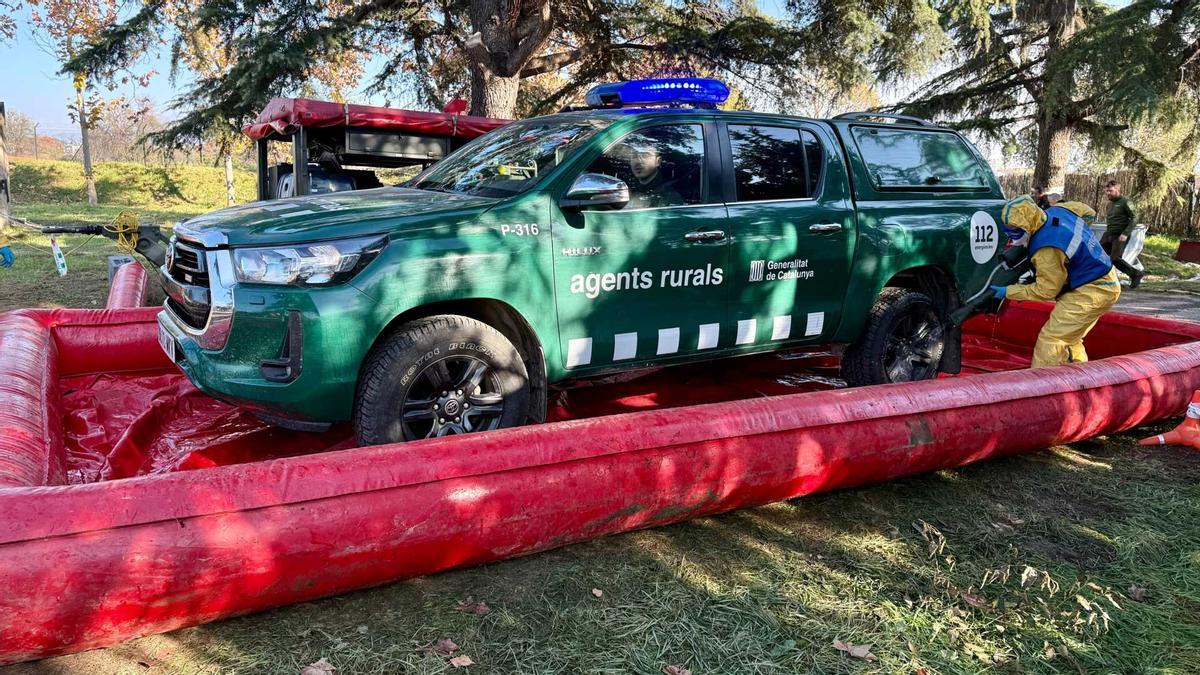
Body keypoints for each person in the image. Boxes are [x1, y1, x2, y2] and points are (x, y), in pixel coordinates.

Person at [991, 194, 1121, 368]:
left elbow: (1047, 290)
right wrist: (1080, 242)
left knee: (1052, 339)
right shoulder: (1061, 210)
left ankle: (1044, 386)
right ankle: (1080, 378)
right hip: (1107, 281)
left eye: (1016, 230)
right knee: (1070, 337)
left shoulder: (1046, 248)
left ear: (1028, 224)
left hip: (1089, 291)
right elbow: (1089, 213)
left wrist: (1008, 291)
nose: (1013, 236)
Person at [1100, 180, 1143, 289]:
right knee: (1098, 254)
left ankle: (1135, 274)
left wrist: (1126, 233)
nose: (1108, 193)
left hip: (1120, 235)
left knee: (1115, 259)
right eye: (1107, 191)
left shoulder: (1125, 201)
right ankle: (1102, 279)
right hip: (1109, 233)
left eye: (1110, 191)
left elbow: (1135, 217)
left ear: (1117, 190)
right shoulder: (1109, 205)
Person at [624, 143, 683, 208]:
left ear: (658, 161)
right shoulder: (628, 190)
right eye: (634, 156)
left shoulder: (669, 195)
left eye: (645, 155)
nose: (638, 161)